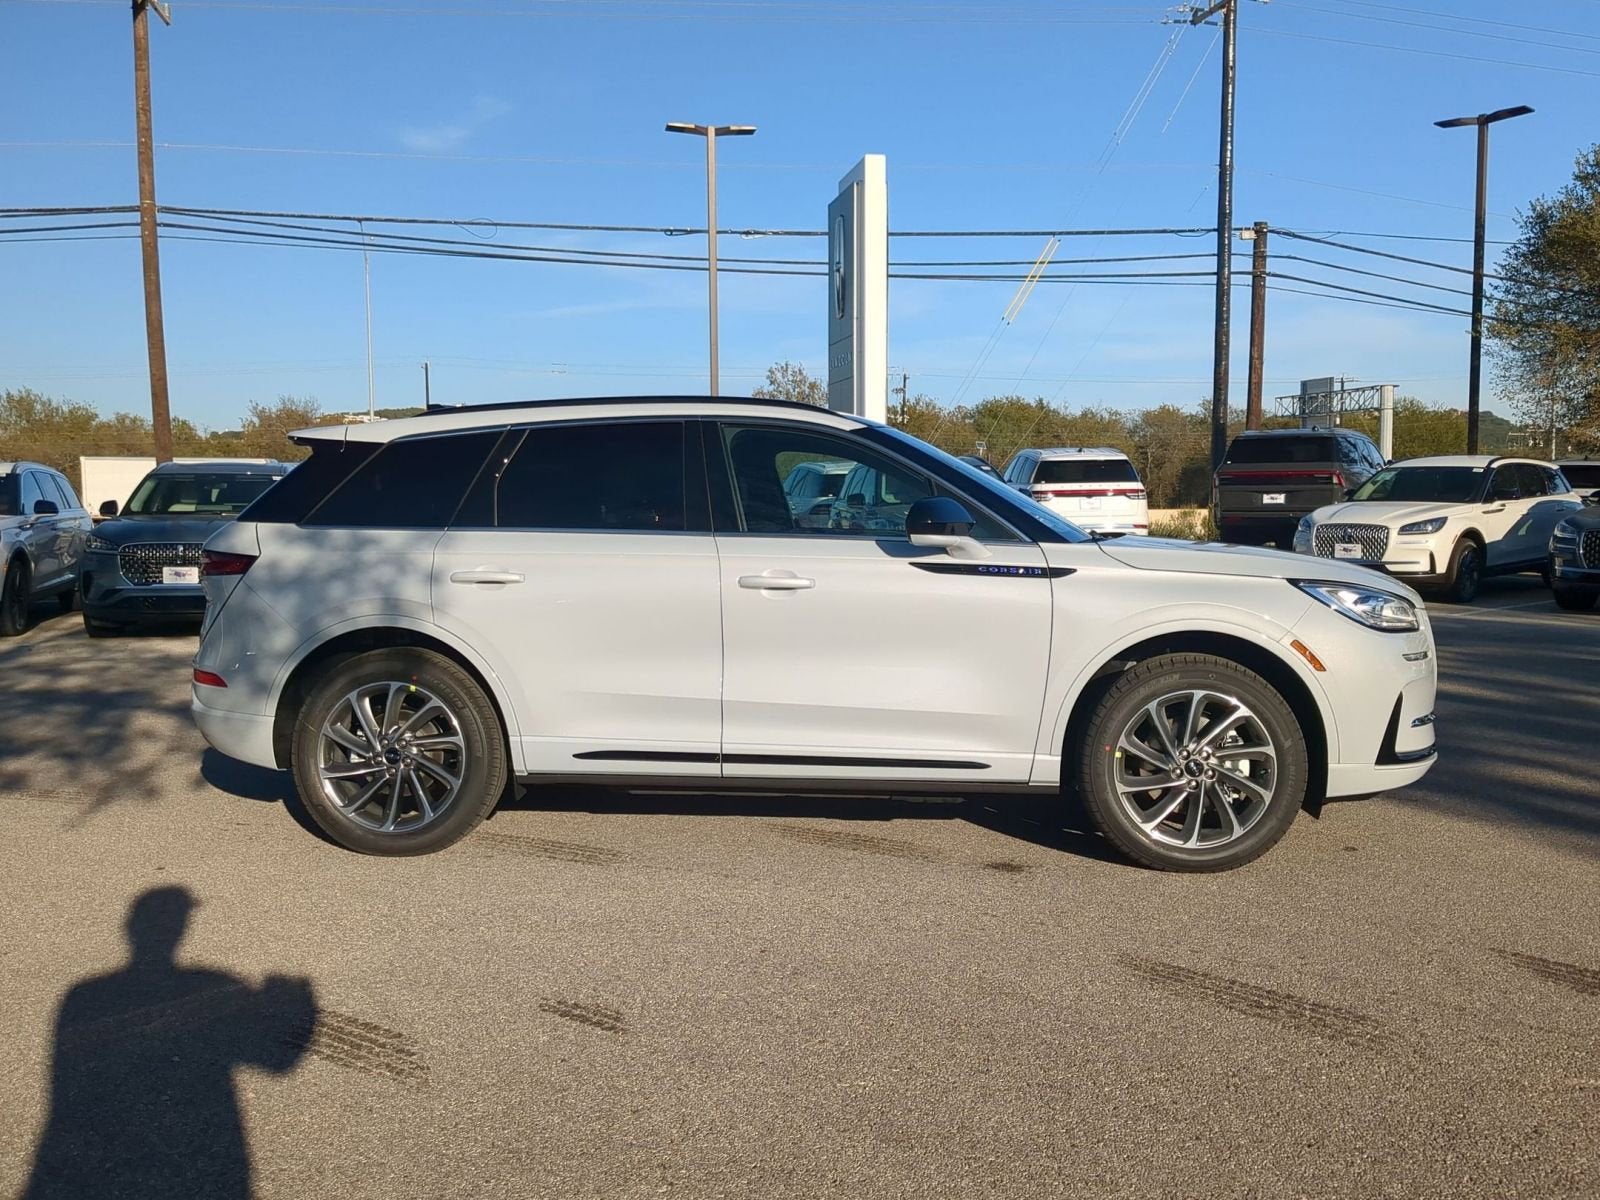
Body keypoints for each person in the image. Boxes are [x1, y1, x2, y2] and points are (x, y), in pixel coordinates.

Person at [22, 886, 316, 1199]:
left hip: (80, 1160)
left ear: (129, 929)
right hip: (206, 1152)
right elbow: (277, 1063)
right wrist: (301, 1006)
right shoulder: (212, 981)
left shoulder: (83, 993)